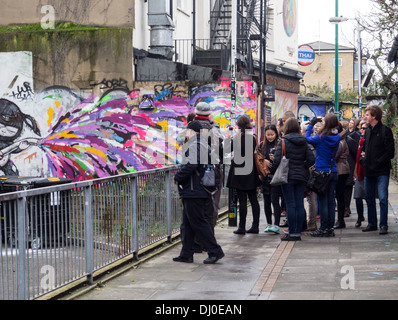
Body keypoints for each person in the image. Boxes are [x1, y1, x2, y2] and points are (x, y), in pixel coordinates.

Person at [173, 120, 224, 264]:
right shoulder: (203, 144)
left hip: (193, 190)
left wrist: (178, 176)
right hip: (199, 189)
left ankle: (215, 251)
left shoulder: (194, 145)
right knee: (187, 223)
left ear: (191, 132)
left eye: (187, 131)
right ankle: (186, 253)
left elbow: (191, 165)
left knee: (198, 223)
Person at [272, 118, 315, 241]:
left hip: (287, 177)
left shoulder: (283, 141)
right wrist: (303, 167)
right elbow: (311, 159)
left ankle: (292, 233)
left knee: (290, 204)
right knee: (299, 204)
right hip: (301, 177)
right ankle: (298, 232)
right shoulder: (304, 141)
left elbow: (276, 161)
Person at [360, 105, 395, 235]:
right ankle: (372, 223)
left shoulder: (385, 130)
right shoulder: (368, 131)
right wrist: (363, 160)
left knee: (383, 199)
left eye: (367, 115)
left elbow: (390, 152)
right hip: (369, 170)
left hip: (382, 171)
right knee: (369, 198)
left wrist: (378, 162)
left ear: (374, 116)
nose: (365, 117)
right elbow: (364, 147)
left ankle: (383, 225)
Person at [305, 114, 340, 237]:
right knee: (331, 201)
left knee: (323, 202)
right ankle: (330, 228)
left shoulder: (321, 138)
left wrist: (311, 124)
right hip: (333, 171)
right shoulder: (337, 136)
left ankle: (324, 228)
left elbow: (307, 138)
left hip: (321, 173)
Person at [226, 115, 261, 235]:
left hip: (239, 172)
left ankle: (241, 227)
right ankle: (255, 226)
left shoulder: (237, 138)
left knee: (242, 200)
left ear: (239, 125)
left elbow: (227, 149)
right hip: (250, 171)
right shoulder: (252, 138)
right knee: (253, 199)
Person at [259, 124, 282, 234]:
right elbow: (257, 158)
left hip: (276, 177)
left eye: (272, 134)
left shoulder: (280, 144)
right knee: (266, 202)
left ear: (276, 133)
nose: (270, 137)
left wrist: (275, 159)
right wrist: (263, 161)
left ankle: (276, 224)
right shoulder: (262, 145)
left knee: (275, 201)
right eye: (268, 135)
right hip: (265, 177)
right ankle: (269, 224)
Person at [301, 122, 318, 231]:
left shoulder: (305, 142)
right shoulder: (316, 141)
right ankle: (312, 223)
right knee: (312, 199)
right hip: (316, 171)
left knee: (309, 199)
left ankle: (310, 223)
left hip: (307, 173)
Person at [334, 123, 350, 229]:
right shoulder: (342, 140)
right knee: (340, 196)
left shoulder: (339, 142)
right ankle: (340, 220)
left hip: (340, 169)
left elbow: (335, 155)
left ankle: (340, 220)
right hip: (343, 169)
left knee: (339, 196)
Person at [353, 120, 368, 228]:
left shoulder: (367, 141)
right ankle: (360, 217)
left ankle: (370, 219)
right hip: (359, 173)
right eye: (361, 128)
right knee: (357, 196)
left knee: (368, 197)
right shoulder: (360, 141)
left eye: (364, 128)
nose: (362, 130)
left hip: (367, 172)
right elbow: (357, 160)